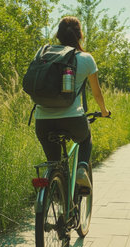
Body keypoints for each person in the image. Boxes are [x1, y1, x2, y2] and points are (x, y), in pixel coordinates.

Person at [34, 16, 110, 194]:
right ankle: (82, 168)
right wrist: (104, 111)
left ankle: (56, 196)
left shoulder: (44, 54)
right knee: (85, 138)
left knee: (54, 164)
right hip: (73, 119)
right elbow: (97, 93)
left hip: (43, 120)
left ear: (58, 35)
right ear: (80, 36)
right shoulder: (86, 58)